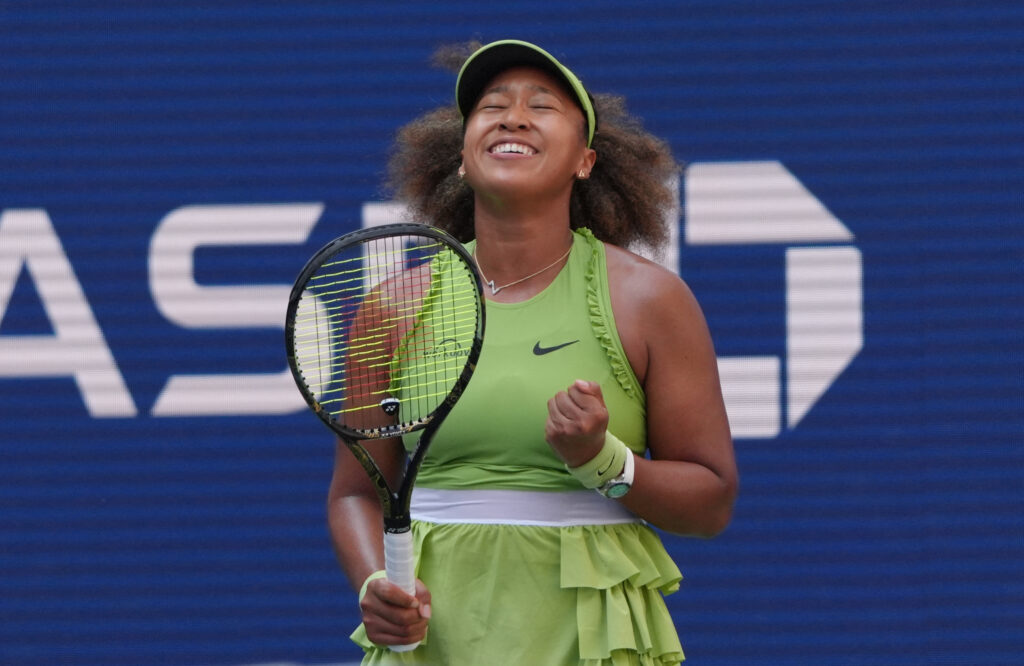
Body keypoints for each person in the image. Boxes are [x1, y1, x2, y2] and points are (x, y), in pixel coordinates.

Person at [327, 39, 738, 665]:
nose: (512, 116)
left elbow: (711, 502)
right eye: (492, 106)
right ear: (462, 158)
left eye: (541, 106)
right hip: (434, 642)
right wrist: (373, 586)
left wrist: (604, 460)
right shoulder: (393, 306)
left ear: (585, 160)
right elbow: (357, 492)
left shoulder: (650, 300)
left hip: (589, 637)